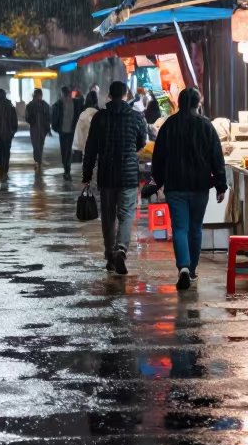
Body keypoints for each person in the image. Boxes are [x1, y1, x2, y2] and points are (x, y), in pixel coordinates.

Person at [151, 87, 227, 291]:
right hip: (200, 185)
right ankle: (192, 270)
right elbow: (216, 158)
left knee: (180, 228)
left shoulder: (169, 125)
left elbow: (158, 157)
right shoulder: (206, 125)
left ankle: (183, 267)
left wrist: (157, 182)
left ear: (180, 102)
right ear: (197, 103)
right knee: (195, 228)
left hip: (175, 185)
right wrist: (221, 185)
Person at [82, 80, 148, 275]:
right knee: (127, 214)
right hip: (127, 175)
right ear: (126, 95)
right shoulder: (136, 118)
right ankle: (121, 248)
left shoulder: (100, 117)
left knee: (108, 216)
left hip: (106, 175)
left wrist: (87, 175)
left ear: (109, 96)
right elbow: (141, 142)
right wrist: (128, 151)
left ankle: (110, 254)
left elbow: (91, 149)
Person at [52, 86, 81, 180]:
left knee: (67, 150)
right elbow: (55, 116)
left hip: (70, 131)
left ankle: (67, 169)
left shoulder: (75, 103)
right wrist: (55, 127)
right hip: (63, 130)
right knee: (65, 151)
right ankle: (66, 168)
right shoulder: (59, 104)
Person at [25, 89, 52, 173]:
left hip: (40, 129)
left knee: (39, 144)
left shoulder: (44, 105)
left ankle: (38, 160)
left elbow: (49, 117)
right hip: (35, 128)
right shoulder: (31, 105)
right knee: (36, 145)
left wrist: (47, 127)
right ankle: (38, 160)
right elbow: (27, 117)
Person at [72, 90, 99, 159]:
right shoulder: (100, 115)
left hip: (86, 151)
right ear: (96, 102)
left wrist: (78, 147)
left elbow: (78, 133)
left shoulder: (83, 115)